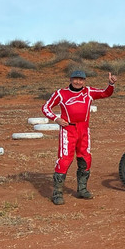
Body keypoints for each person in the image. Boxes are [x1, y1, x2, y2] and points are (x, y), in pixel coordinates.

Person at [42, 69, 116, 205]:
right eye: (75, 79)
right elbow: (46, 107)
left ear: (84, 81)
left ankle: (82, 189)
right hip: (68, 129)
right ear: (70, 79)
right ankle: (57, 193)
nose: (78, 82)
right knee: (64, 160)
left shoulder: (88, 92)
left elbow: (105, 93)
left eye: (81, 79)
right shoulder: (61, 93)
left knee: (85, 158)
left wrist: (110, 84)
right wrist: (56, 119)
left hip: (84, 130)